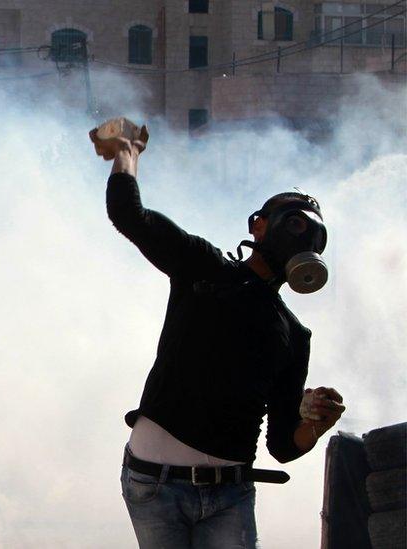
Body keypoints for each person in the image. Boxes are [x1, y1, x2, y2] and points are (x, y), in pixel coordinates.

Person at [91, 126, 346, 548]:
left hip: (230, 494)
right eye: (293, 222)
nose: (302, 236)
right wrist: (127, 152)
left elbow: (284, 445)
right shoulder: (205, 269)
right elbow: (129, 215)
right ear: (259, 227)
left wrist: (316, 424)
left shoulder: (294, 335)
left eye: (311, 232)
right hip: (155, 485)